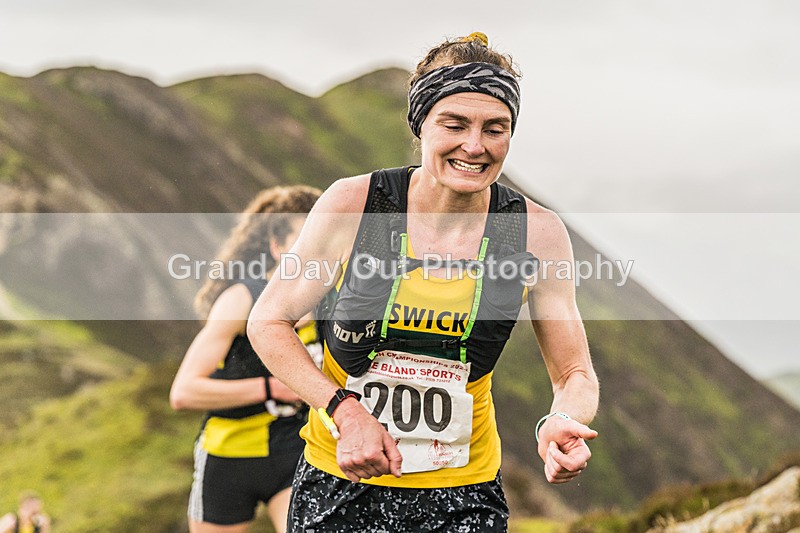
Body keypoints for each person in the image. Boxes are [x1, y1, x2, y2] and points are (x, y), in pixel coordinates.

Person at [247, 32, 599, 532]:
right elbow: (268, 321)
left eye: (495, 129)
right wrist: (346, 413)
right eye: (454, 124)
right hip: (339, 486)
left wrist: (561, 419)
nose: (474, 146)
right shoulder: (355, 204)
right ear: (422, 126)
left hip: (464, 494)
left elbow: (574, 374)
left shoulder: (536, 233)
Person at [170, 185, 322, 533]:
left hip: (295, 452)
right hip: (229, 458)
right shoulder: (240, 301)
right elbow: (184, 393)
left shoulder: (334, 301)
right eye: (302, 244)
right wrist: (272, 388)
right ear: (277, 247)